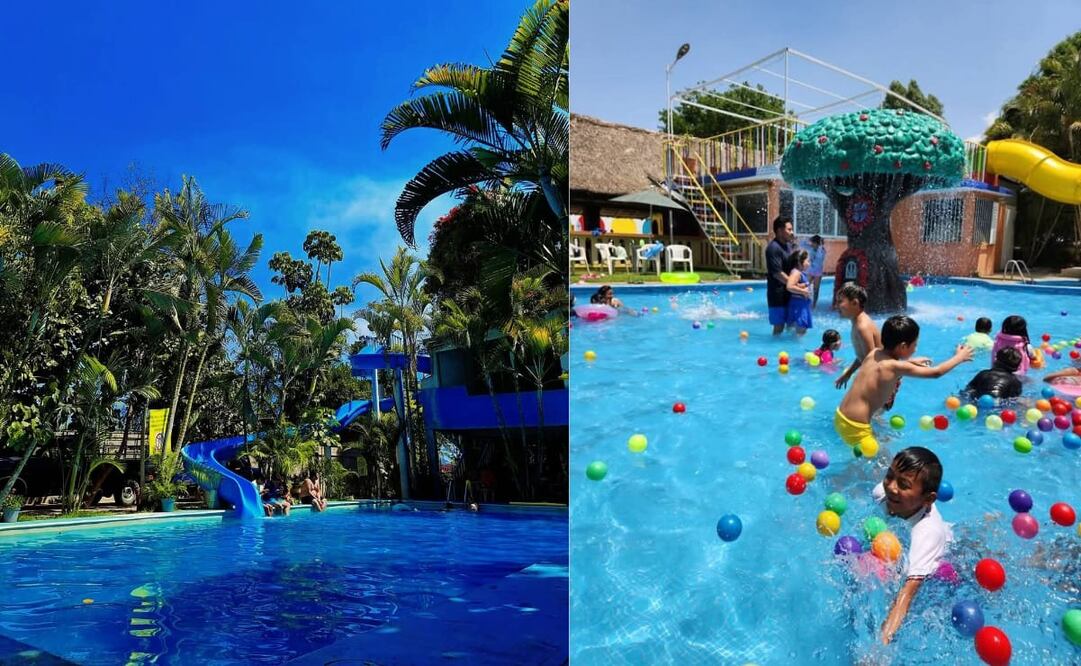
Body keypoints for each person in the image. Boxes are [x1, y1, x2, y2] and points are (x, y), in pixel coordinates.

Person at [835, 315, 973, 458]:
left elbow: (885, 365)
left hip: (841, 416)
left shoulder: (874, 353)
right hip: (856, 427)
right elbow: (935, 372)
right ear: (902, 346)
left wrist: (911, 362)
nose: (915, 349)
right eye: (914, 345)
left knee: (877, 446)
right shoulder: (895, 366)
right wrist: (959, 357)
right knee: (883, 464)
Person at [872, 447, 952, 645]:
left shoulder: (927, 534)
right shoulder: (882, 494)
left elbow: (906, 596)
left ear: (928, 499)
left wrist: (879, 646)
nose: (891, 487)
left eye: (903, 484)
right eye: (890, 475)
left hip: (946, 555)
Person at [834, 284, 881, 390]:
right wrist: (849, 373)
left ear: (855, 303)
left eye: (840, 301)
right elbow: (863, 356)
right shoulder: (857, 322)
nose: (836, 305)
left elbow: (871, 360)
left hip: (879, 382)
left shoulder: (862, 327)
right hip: (877, 378)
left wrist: (859, 386)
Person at [765, 216, 795, 335]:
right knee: (779, 327)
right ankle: (774, 349)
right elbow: (778, 273)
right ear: (779, 230)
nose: (792, 232)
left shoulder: (787, 246)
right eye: (789, 229)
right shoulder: (773, 248)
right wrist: (795, 285)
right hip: (777, 294)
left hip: (788, 292)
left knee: (791, 324)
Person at [784, 249, 813, 335]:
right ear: (800, 262)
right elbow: (789, 286)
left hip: (800, 305)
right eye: (808, 261)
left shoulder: (798, 272)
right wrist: (803, 291)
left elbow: (793, 284)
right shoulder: (796, 272)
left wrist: (800, 286)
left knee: (795, 332)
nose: (809, 263)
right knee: (801, 331)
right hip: (798, 306)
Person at [803, 234, 826, 308]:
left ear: (817, 243)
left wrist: (820, 244)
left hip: (818, 272)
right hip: (810, 270)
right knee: (806, 286)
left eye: (813, 242)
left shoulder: (822, 250)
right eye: (811, 242)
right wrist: (807, 239)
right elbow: (802, 244)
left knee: (816, 289)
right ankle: (805, 302)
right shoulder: (811, 248)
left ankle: (814, 305)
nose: (811, 244)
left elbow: (819, 259)